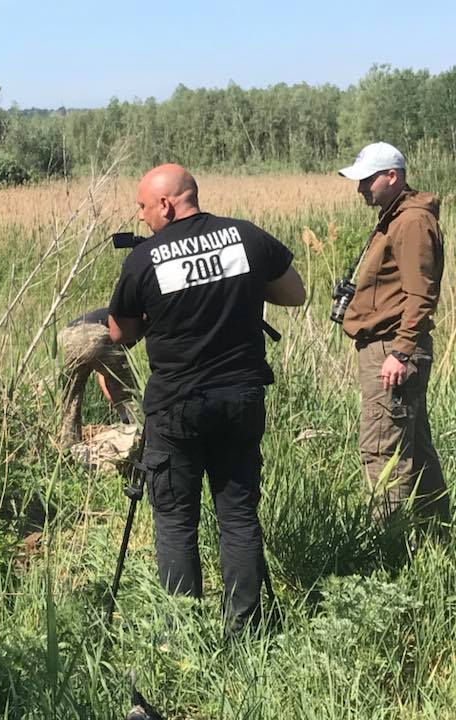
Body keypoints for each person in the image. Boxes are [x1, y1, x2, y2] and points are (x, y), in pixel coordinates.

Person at [108, 164, 305, 634]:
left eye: (142, 206)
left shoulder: (145, 258)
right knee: (237, 514)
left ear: (166, 203)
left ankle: (183, 633)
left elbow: (120, 333)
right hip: (241, 397)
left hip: (177, 405)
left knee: (175, 520)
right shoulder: (246, 237)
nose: (140, 217)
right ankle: (246, 628)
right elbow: (294, 293)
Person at [337, 142, 450, 531]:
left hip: (392, 348)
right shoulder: (395, 216)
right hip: (388, 346)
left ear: (392, 176)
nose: (361, 189)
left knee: (383, 452)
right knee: (415, 450)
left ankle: (389, 553)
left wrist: (400, 352)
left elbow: (422, 294)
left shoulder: (412, 222)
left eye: (368, 180)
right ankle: (438, 538)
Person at [57, 307, 138, 448]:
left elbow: (103, 374)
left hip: (66, 336)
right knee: (129, 391)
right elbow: (113, 378)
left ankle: (67, 451)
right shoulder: (137, 321)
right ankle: (139, 436)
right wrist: (122, 411)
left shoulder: (122, 314)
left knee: (70, 400)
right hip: (94, 333)